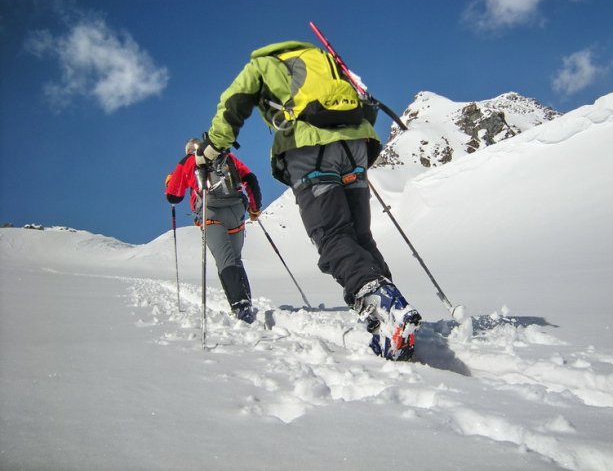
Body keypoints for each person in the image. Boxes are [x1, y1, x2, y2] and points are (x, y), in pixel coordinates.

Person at [197, 40, 421, 360]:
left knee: (331, 235)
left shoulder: (262, 64)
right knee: (359, 237)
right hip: (356, 145)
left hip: (310, 146)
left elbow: (233, 103)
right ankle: (390, 315)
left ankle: (381, 305)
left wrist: (211, 148)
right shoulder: (323, 58)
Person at [165, 138, 262, 323]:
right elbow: (250, 179)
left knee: (225, 261)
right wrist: (255, 208)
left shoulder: (188, 162)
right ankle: (246, 303)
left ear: (188, 151)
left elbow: (173, 196)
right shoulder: (226, 156)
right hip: (236, 213)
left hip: (211, 215)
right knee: (236, 259)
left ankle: (241, 308)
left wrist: (169, 182)